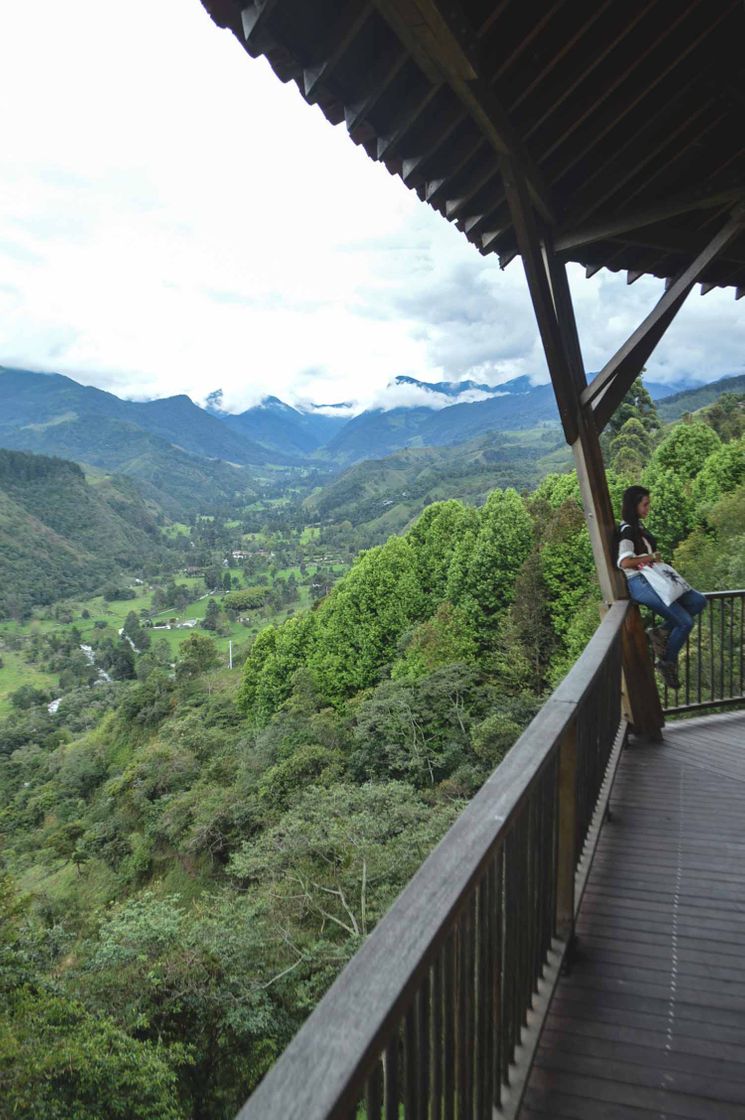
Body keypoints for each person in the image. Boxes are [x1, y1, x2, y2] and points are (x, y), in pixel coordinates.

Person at [617, 485, 707, 690]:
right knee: (684, 622)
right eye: (645, 504)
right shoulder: (628, 530)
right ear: (634, 505)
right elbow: (624, 562)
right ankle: (667, 663)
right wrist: (652, 557)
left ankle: (660, 632)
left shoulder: (638, 527)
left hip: (652, 578)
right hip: (640, 582)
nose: (648, 508)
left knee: (698, 601)